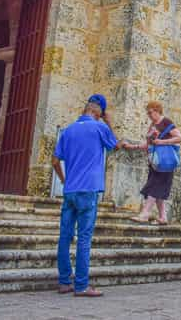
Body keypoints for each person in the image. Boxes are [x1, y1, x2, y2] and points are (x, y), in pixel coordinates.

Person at [52, 100, 121, 297]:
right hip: (88, 189)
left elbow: (55, 161)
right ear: (98, 113)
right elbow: (115, 146)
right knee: (84, 237)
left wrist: (64, 180)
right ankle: (81, 285)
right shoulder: (99, 127)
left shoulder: (68, 130)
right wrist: (109, 123)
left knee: (65, 236)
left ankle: (64, 282)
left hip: (70, 190)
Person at [126, 101, 181, 225]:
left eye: (151, 112)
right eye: (148, 113)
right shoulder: (152, 125)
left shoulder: (166, 122)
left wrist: (162, 142)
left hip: (165, 163)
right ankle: (163, 217)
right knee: (159, 191)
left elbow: (179, 138)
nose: (149, 115)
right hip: (155, 163)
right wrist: (132, 146)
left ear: (157, 110)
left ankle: (145, 213)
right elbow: (148, 145)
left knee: (154, 187)